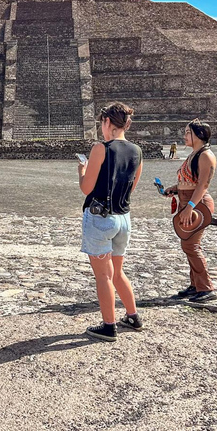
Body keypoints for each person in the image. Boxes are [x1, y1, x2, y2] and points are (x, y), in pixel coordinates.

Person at [77, 102, 144, 342]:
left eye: (101, 124)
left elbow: (87, 188)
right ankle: (133, 316)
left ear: (107, 122)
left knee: (104, 276)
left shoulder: (100, 148)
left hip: (100, 218)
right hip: (123, 218)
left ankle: (109, 325)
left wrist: (81, 171)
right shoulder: (137, 151)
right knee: (118, 272)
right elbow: (132, 187)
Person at [166, 119, 217, 302]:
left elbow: (203, 184)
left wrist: (190, 207)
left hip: (197, 204)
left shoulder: (205, 155)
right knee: (188, 244)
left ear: (199, 135)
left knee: (191, 245)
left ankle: (206, 287)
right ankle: (195, 284)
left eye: (188, 132)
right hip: (187, 201)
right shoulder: (195, 154)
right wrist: (174, 189)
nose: (185, 136)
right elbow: (190, 181)